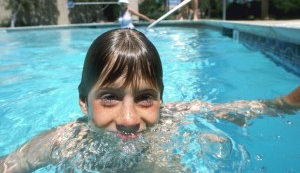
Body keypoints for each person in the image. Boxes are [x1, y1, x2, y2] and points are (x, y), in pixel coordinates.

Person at [0, 28, 299, 172]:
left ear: (161, 99)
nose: (129, 119)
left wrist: (284, 104)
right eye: (109, 98)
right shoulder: (64, 142)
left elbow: (232, 111)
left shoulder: (174, 118)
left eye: (145, 98)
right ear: (83, 101)